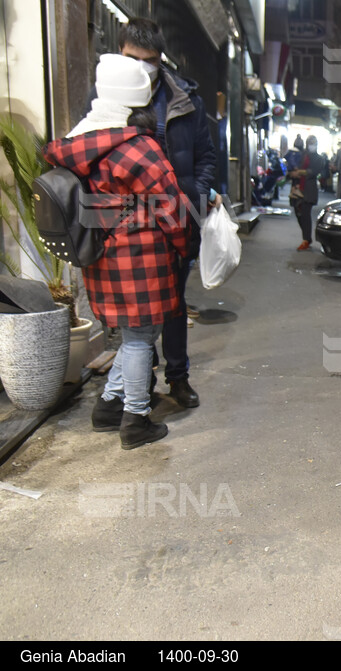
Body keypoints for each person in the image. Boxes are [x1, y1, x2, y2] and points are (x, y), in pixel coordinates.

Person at [44, 54, 189, 449]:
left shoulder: (77, 141)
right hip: (140, 254)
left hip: (100, 251)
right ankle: (135, 419)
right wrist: (184, 245)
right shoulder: (135, 147)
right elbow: (170, 205)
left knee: (132, 334)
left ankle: (109, 404)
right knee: (142, 336)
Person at [95, 17, 219, 409]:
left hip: (175, 217)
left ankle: (177, 378)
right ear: (120, 53)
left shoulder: (184, 98)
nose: (141, 69)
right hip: (126, 227)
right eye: (133, 58)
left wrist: (192, 198)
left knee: (174, 304)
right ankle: (137, 389)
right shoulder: (107, 92)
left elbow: (206, 158)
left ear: (161, 59)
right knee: (137, 318)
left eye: (149, 61)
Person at [290, 135, 323, 250]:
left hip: (309, 190)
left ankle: (306, 239)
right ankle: (306, 237)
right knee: (298, 213)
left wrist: (299, 172)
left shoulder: (319, 158)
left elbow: (313, 171)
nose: (311, 145)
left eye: (313, 143)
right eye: (310, 143)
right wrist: (294, 172)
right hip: (297, 188)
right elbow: (293, 167)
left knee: (305, 214)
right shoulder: (302, 155)